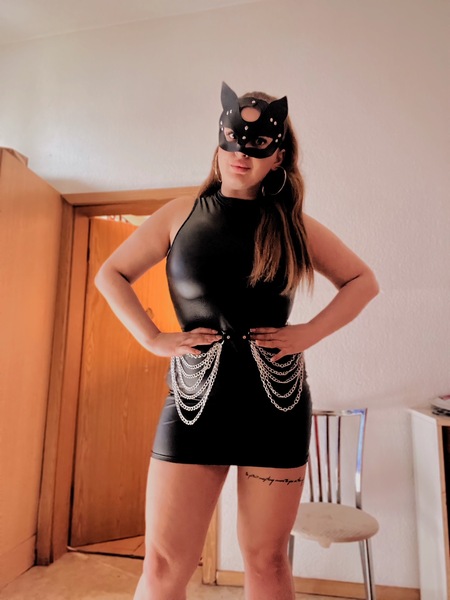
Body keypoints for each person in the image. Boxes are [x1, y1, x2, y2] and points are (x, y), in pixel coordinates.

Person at [95, 81, 379, 600]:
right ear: (219, 140)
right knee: (163, 564)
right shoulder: (179, 214)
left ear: (279, 156)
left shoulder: (292, 226)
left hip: (275, 404)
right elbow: (110, 274)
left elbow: (363, 281)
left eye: (258, 143)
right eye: (233, 139)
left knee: (267, 561)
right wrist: (153, 337)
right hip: (193, 405)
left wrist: (309, 334)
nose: (241, 152)